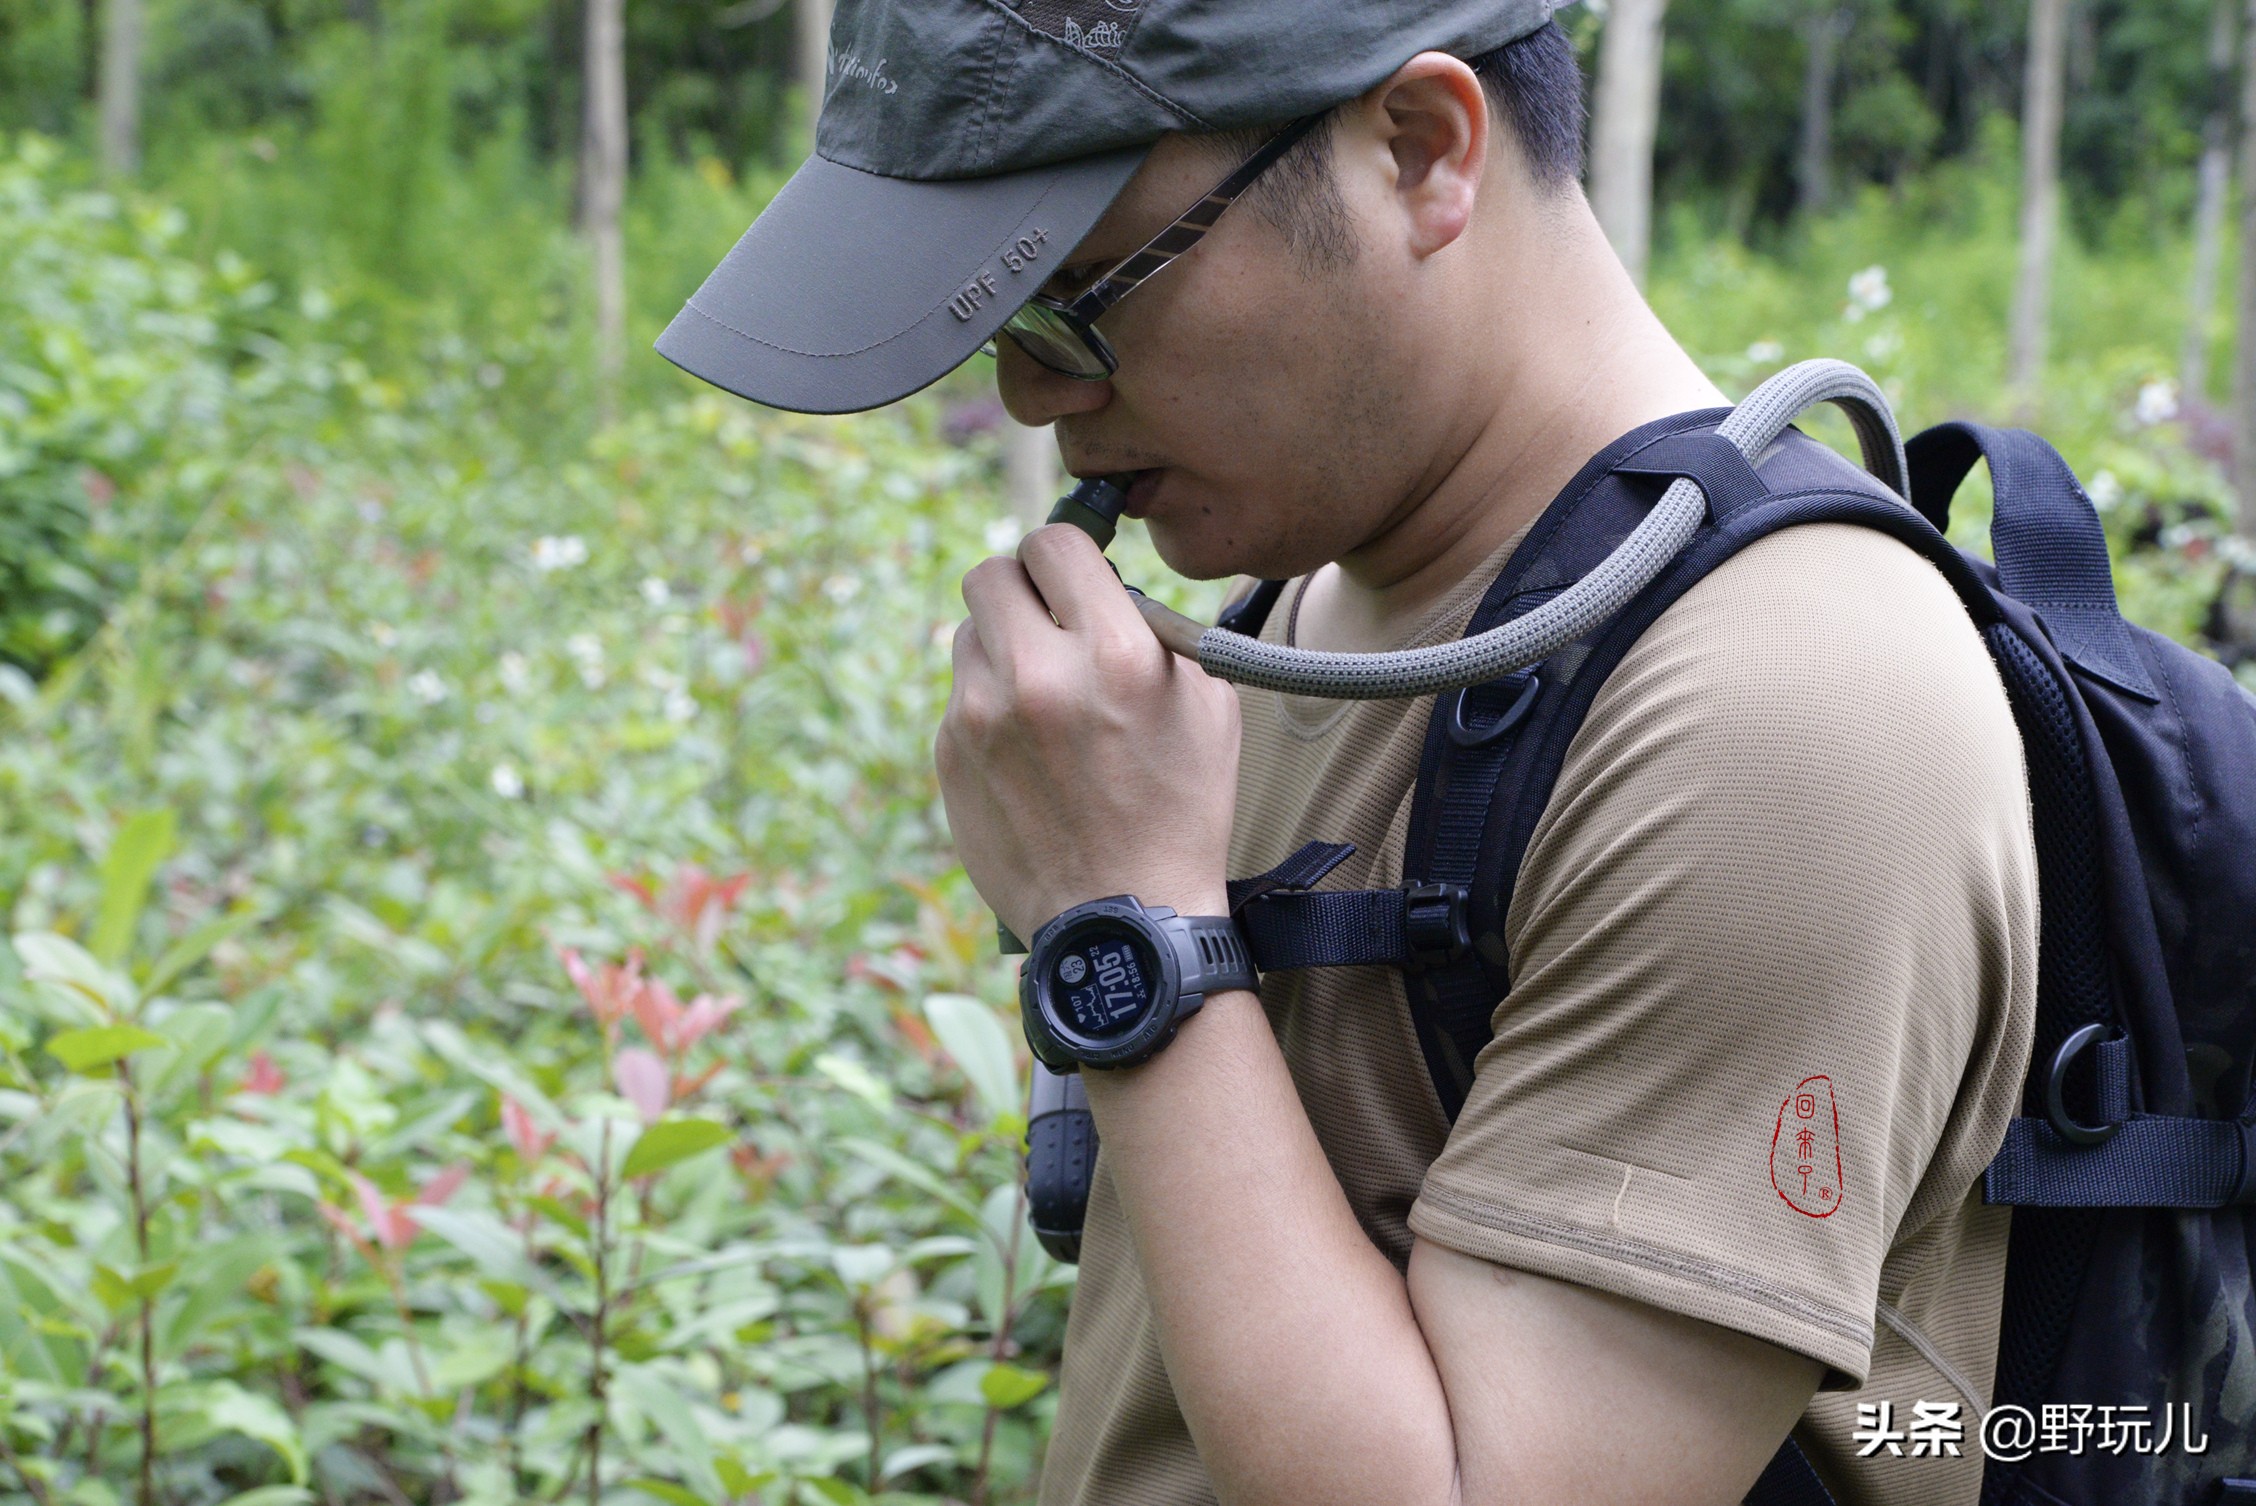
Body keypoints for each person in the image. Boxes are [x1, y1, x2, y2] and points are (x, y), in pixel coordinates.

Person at [656, 3, 2038, 1503]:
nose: (1033, 397)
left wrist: (1128, 925)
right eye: (1001, 328)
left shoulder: (1783, 710)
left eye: (1078, 299)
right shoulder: (1311, 604)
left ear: (1423, 154)